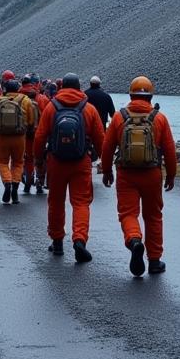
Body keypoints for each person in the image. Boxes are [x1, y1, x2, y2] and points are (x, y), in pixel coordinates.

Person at [101, 77, 177, 276]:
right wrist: (171, 175)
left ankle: (134, 240)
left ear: (130, 95)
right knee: (153, 216)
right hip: (152, 174)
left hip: (126, 174)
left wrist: (107, 170)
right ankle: (154, 260)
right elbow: (169, 150)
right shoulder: (159, 118)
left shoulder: (119, 117)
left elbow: (107, 147)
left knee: (128, 214)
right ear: (150, 96)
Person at [33, 72, 106, 263]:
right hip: (81, 161)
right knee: (81, 202)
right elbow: (101, 140)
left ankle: (57, 241)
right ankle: (80, 239)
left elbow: (40, 137)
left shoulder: (51, 107)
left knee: (55, 201)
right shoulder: (88, 108)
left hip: (56, 161)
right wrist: (106, 167)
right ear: (79, 87)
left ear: (62, 87)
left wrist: (39, 162)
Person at [0, 77, 35, 204]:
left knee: (3, 162)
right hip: (20, 137)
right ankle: (15, 186)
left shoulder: (0, 100)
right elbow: (31, 120)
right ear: (18, 89)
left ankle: (7, 182)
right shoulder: (25, 100)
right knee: (18, 162)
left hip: (3, 137)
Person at [21, 75, 47, 195]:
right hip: (39, 133)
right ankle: (39, 182)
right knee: (39, 158)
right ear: (36, 84)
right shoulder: (42, 98)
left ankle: (27, 180)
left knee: (27, 158)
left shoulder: (17, 97)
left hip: (23, 133)